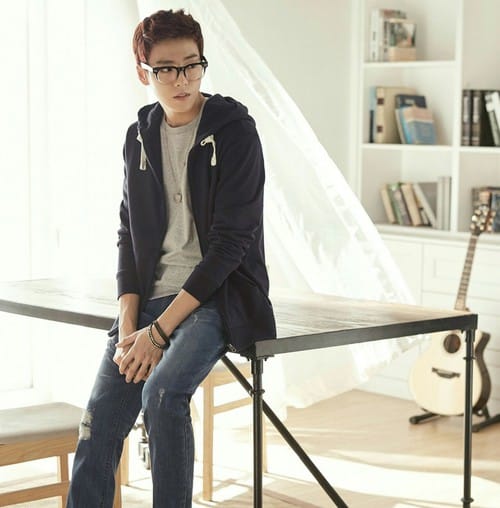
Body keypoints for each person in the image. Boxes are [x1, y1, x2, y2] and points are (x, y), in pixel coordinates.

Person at [67, 8, 276, 508]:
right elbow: (127, 233)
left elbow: (231, 245)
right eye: (166, 69)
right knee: (98, 420)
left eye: (191, 65)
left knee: (161, 395)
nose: (181, 80)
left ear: (202, 63)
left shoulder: (235, 132)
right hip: (147, 301)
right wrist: (128, 326)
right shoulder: (137, 136)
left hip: (214, 299)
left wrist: (159, 333)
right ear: (144, 73)